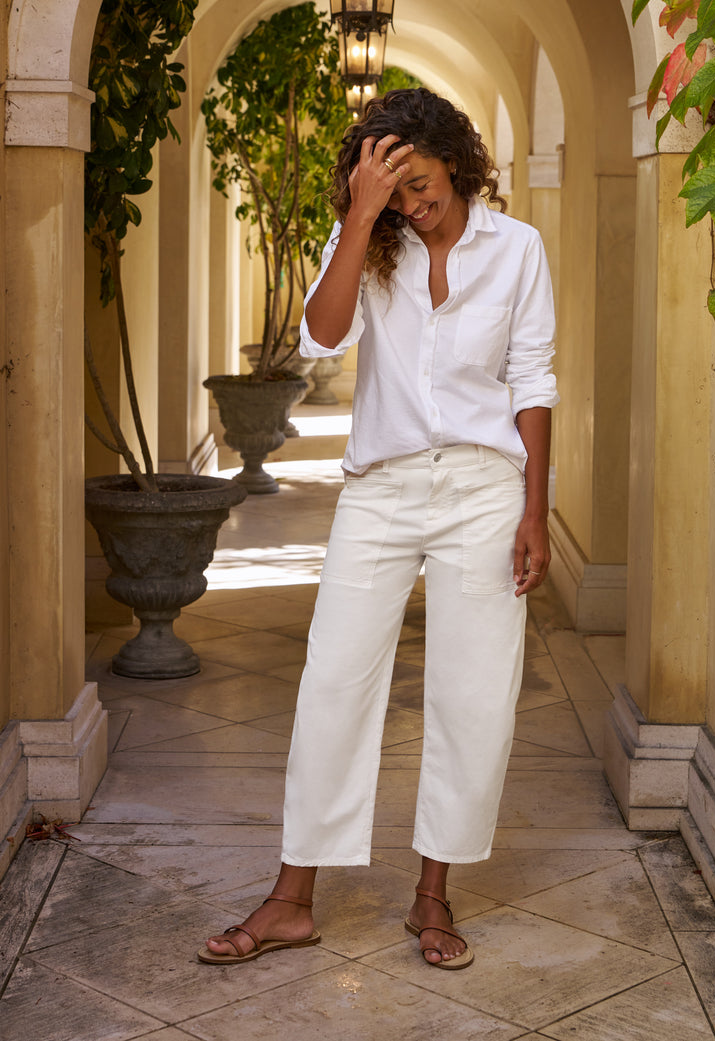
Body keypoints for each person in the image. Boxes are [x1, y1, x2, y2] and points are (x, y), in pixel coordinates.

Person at [200, 87, 558, 970]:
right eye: (396, 189)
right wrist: (361, 218)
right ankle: (291, 899)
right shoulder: (374, 240)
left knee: (472, 693)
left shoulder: (517, 249)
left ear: (455, 160)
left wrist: (535, 509)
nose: (415, 203)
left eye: (422, 182)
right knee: (333, 679)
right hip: (381, 489)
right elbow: (322, 339)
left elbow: (534, 380)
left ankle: (432, 896)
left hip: (484, 486)